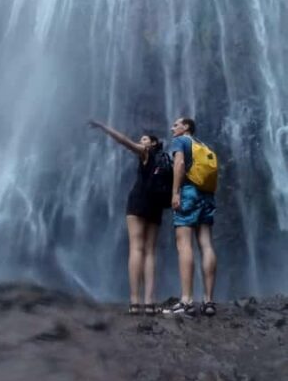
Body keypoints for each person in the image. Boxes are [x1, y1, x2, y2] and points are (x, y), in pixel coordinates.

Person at [88, 120, 165, 315]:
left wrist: (102, 127)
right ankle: (150, 302)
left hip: (138, 202)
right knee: (150, 252)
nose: (141, 142)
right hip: (156, 205)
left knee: (136, 248)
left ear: (152, 144)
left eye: (145, 139)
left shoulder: (146, 153)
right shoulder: (167, 159)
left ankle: (134, 301)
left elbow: (123, 140)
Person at [161, 117, 217, 318]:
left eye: (176, 124)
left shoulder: (181, 141)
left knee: (184, 244)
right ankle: (209, 301)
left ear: (186, 127)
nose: (172, 127)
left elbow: (180, 164)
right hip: (206, 195)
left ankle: (186, 301)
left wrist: (175, 193)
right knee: (206, 244)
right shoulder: (202, 145)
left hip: (189, 193)